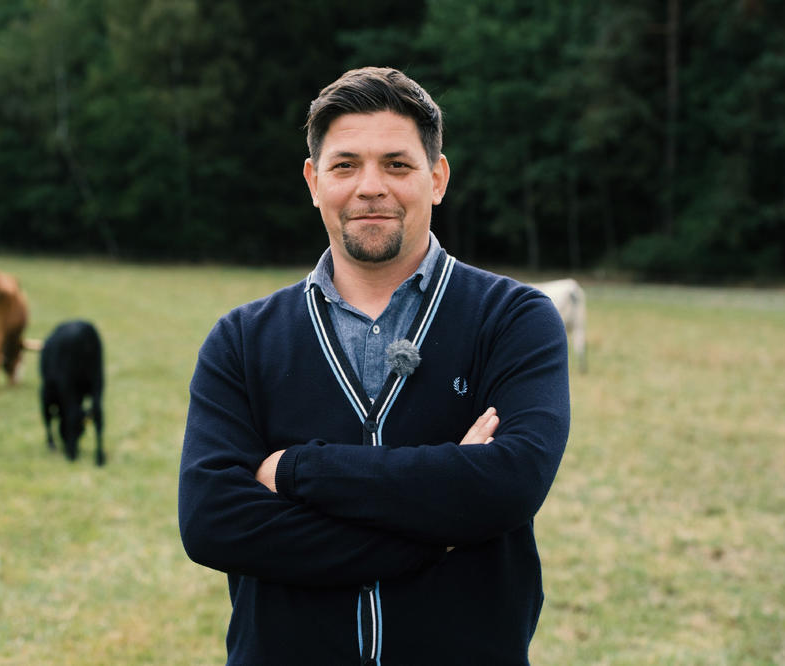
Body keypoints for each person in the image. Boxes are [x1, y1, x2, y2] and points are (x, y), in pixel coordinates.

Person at [179, 66, 570, 665]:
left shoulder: (513, 319)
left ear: (437, 178)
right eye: (344, 165)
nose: (370, 187)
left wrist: (299, 471)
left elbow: (510, 484)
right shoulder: (243, 339)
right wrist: (436, 529)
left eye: (397, 164)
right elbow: (212, 521)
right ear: (313, 181)